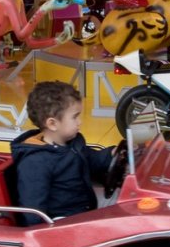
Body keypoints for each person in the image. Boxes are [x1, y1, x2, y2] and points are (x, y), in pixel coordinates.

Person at [10, 81, 113, 226]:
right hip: (63, 222)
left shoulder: (71, 144)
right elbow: (33, 212)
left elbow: (93, 159)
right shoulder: (35, 162)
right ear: (52, 124)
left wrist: (114, 153)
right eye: (75, 117)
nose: (80, 122)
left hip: (84, 209)